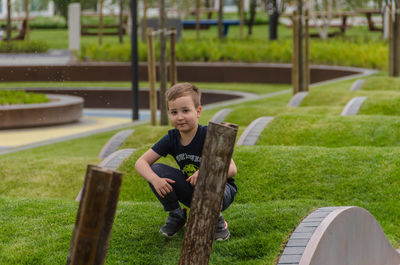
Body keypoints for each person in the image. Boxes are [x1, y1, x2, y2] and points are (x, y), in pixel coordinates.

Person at [135, 82, 237, 241]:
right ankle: (177, 215)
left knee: (208, 178)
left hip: (221, 191)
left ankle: (217, 220)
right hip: (191, 189)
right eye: (174, 112)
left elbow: (231, 169)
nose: (180, 117)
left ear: (198, 111)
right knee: (155, 170)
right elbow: (140, 162)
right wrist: (155, 180)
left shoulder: (211, 135)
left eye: (185, 111)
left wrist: (205, 171)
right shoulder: (171, 138)